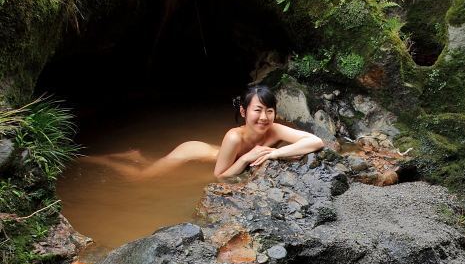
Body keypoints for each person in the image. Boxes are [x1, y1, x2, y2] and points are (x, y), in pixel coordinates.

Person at [81, 85, 324, 180]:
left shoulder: (275, 129)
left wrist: (273, 155)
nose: (264, 117)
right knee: (141, 178)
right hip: (189, 152)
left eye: (269, 111)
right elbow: (220, 174)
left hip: (211, 152)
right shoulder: (233, 137)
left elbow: (315, 141)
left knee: (149, 166)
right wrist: (247, 158)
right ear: (243, 111)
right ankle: (103, 160)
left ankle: (132, 153)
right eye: (257, 110)